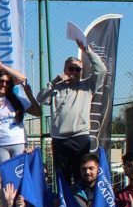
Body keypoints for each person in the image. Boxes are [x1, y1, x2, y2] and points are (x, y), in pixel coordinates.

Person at [34, 37, 107, 183]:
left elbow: (102, 70)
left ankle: (83, 203)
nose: (74, 72)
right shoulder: (56, 88)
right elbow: (40, 98)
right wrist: (54, 83)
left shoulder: (88, 86)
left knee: (82, 176)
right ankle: (64, 204)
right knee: (62, 178)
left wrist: (87, 50)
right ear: (65, 69)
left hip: (79, 137)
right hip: (59, 140)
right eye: (71, 68)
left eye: (77, 69)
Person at [0, 53, 34, 162]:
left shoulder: (17, 100)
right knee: (5, 177)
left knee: (19, 174)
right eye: (1, 81)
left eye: (7, 82)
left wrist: (2, 67)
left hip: (18, 142)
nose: (3, 84)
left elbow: (22, 78)